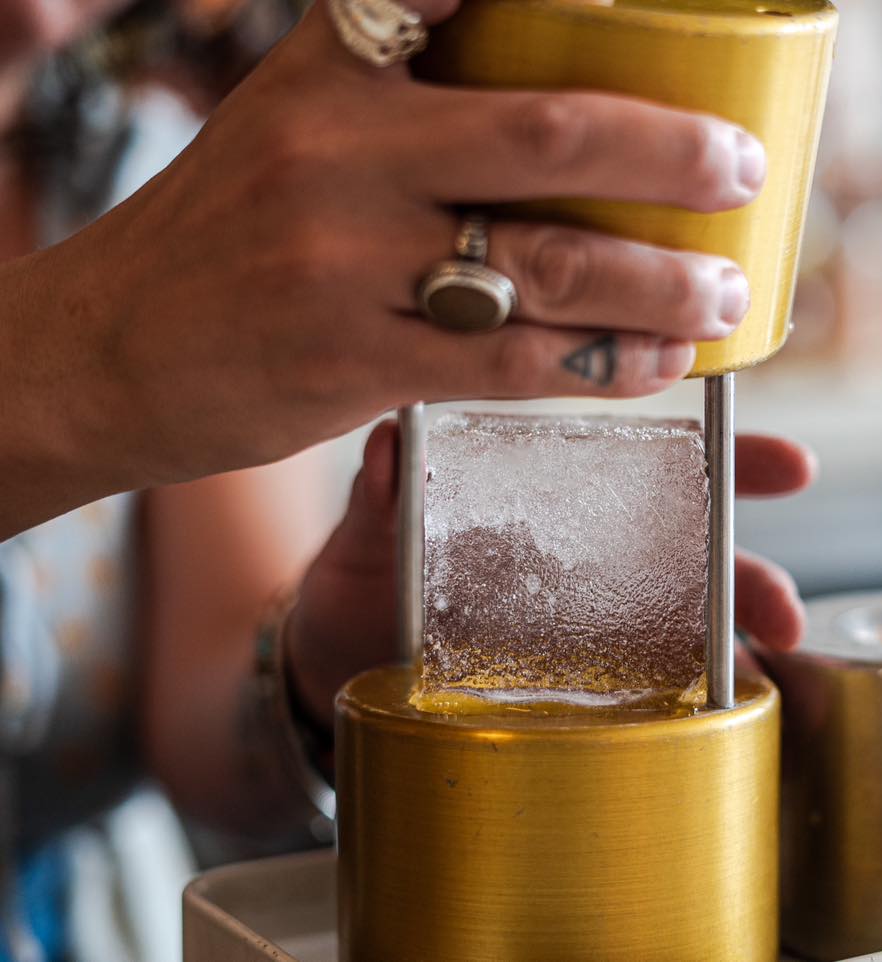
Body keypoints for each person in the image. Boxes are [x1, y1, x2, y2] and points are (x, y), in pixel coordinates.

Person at [0, 0, 815, 957]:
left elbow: (210, 741)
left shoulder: (157, 172)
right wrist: (95, 352)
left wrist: (329, 660)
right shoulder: (184, 229)